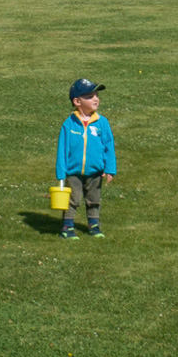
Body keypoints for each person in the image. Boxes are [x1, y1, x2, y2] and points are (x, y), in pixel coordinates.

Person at [55, 78, 117, 238]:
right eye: (90, 96)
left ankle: (94, 225)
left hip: (95, 171)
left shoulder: (102, 123)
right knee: (72, 199)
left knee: (94, 199)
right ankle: (67, 227)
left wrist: (109, 168)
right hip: (73, 171)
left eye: (96, 95)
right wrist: (61, 173)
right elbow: (62, 150)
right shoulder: (69, 124)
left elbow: (109, 147)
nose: (96, 99)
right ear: (77, 101)